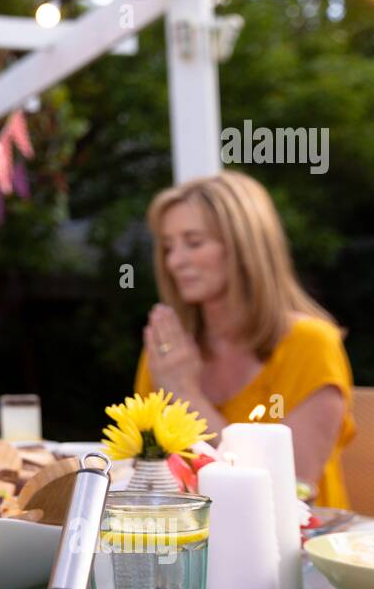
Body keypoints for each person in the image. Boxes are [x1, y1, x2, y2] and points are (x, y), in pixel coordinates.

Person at [134, 171, 356, 509]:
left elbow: (289, 490)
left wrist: (185, 393)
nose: (174, 261)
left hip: (298, 552)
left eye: (194, 243)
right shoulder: (169, 348)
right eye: (167, 246)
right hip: (188, 545)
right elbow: (146, 474)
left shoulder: (310, 345)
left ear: (244, 245)